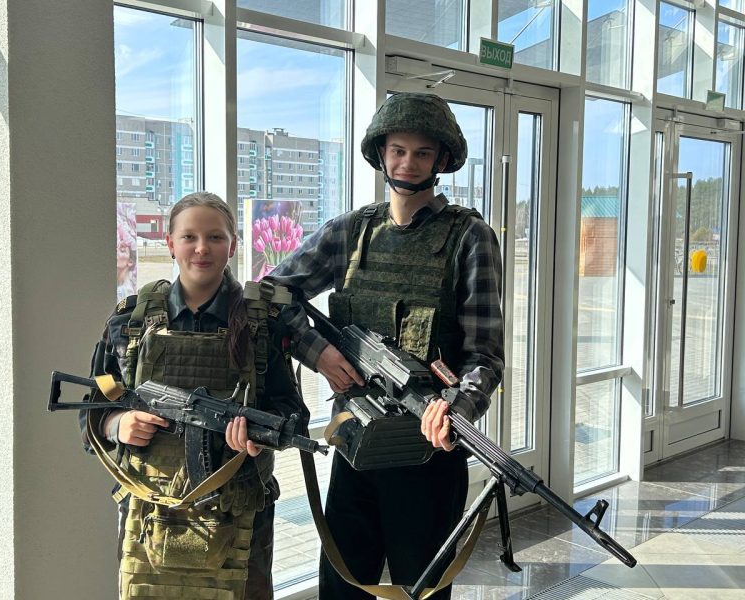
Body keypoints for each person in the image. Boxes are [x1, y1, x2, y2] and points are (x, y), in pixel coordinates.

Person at [268, 92, 505, 599]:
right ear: (381, 153)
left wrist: (456, 407)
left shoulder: (470, 237)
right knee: (342, 588)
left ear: (441, 159)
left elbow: (485, 355)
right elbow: (271, 295)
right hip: (355, 445)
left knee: (421, 591)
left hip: (428, 454)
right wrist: (318, 353)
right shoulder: (350, 233)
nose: (408, 163)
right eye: (398, 150)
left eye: (422, 152)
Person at [80, 192, 305, 600]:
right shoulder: (129, 321)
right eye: (189, 237)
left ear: (232, 246)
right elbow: (94, 408)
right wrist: (118, 424)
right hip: (150, 510)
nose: (202, 248)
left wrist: (257, 437)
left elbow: (292, 412)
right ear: (170, 243)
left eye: (215, 237)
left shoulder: (262, 324)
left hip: (239, 512)